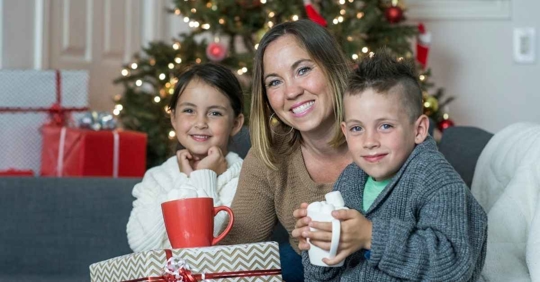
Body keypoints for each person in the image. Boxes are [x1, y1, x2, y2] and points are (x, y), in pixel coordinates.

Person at [293, 49, 488, 281]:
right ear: (345, 132)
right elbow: (320, 276)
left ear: (418, 130)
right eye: (357, 128)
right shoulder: (351, 179)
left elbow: (454, 265)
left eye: (385, 126)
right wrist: (320, 244)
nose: (369, 142)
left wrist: (371, 237)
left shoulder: (439, 183)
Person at [219, 19, 352, 281]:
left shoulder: (385, 132)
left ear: (332, 67)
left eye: (303, 70)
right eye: (275, 82)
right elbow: (235, 250)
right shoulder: (270, 153)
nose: (291, 92)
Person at [126, 63, 245, 253]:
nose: (200, 123)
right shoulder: (156, 178)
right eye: (189, 111)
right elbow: (141, 245)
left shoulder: (244, 176)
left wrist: (205, 176)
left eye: (215, 113)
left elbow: (217, 247)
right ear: (173, 118)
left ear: (236, 123)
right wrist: (185, 180)